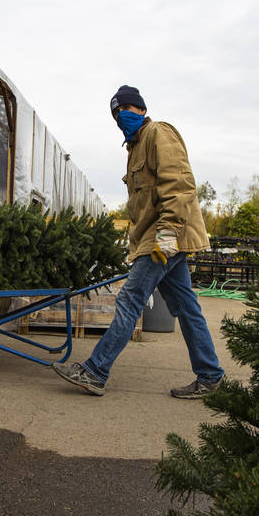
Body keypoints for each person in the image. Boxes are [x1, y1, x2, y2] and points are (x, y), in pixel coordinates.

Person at [52, 85, 225, 398]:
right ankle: (210, 375)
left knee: (130, 299)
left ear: (141, 109)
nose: (122, 117)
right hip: (154, 237)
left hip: (166, 237)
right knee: (187, 307)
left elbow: (179, 185)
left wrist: (168, 233)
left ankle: (94, 371)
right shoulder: (134, 148)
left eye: (127, 110)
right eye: (117, 114)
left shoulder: (159, 133)